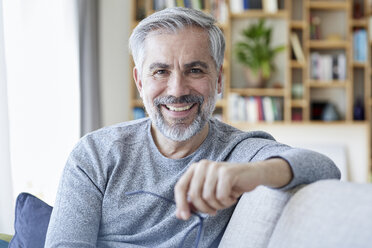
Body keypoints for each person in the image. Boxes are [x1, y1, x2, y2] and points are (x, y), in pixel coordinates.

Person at [45, 7, 340, 248]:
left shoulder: (237, 152)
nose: (177, 89)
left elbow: (324, 168)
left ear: (219, 79)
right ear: (139, 82)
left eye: (195, 70)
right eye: (160, 71)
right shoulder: (94, 153)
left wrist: (252, 174)